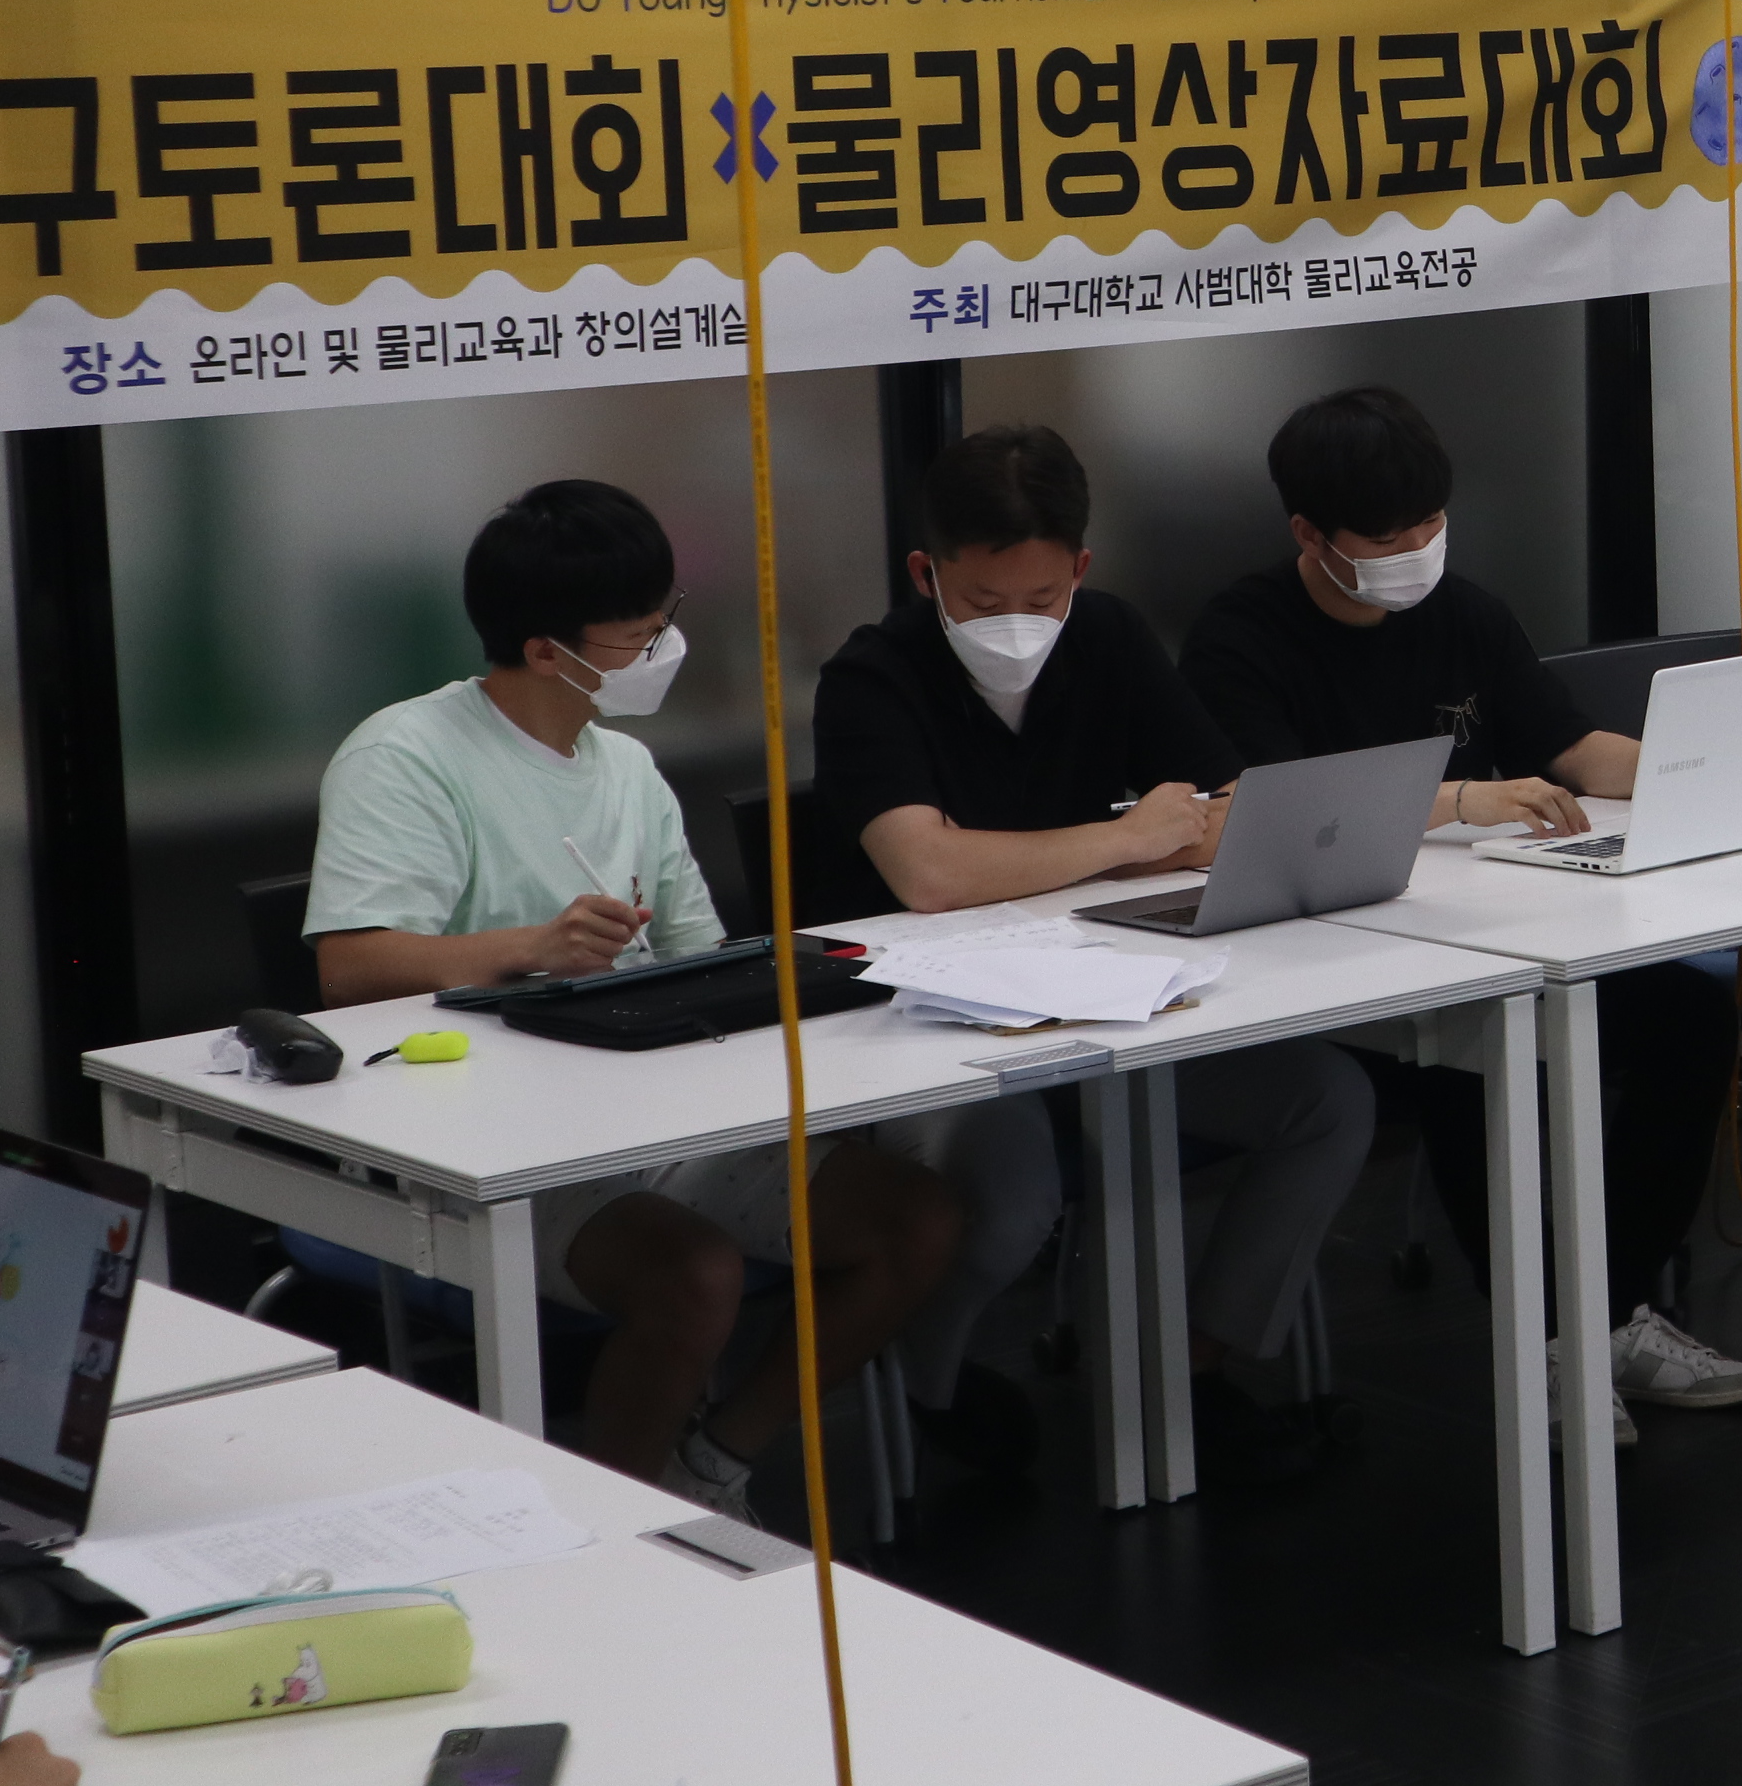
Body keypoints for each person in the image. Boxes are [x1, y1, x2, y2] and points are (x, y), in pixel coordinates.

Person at [304, 481, 961, 1513]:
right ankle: (618, 1524)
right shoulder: (408, 757)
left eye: (666, 619)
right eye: (638, 634)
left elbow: (698, 953)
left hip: (652, 1117)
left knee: (914, 1221)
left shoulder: (625, 767)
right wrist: (533, 947)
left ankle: (715, 1465)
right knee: (691, 1273)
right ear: (543, 650)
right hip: (488, 1144)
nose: (663, 647)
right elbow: (348, 966)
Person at [1180, 386, 1742, 1436]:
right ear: (1310, 533)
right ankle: (1554, 1343)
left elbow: (1571, 748)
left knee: (1688, 1020)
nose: (1416, 551)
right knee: (1481, 1058)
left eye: (1431, 524)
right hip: (1324, 962)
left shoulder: (1467, 613)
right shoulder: (1240, 636)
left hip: (1482, 927)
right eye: (1385, 538)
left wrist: (1729, 763)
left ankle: (1606, 1313)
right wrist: (1459, 798)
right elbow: (1270, 810)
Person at [813, 422, 1376, 1476]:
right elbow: (928, 872)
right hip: (934, 1029)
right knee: (1012, 1195)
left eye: (1041, 599)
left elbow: (1226, 810)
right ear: (927, 574)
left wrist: (1077, 850)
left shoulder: (1108, 637)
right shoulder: (872, 677)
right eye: (984, 601)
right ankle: (930, 1384)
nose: (1016, 625)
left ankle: (1194, 1366)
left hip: (1106, 992)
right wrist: (1119, 840)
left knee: (1327, 1101)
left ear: (1079, 568)